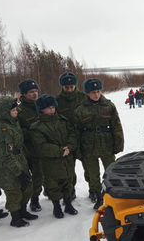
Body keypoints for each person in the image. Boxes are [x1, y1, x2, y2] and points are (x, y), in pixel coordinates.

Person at [74, 78, 124, 210]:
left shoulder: (109, 106)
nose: (96, 95)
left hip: (106, 143)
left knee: (110, 170)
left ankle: (111, 193)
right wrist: (78, 150)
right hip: (88, 145)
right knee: (92, 173)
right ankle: (97, 195)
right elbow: (76, 131)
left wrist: (118, 144)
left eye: (98, 91)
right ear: (87, 93)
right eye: (92, 92)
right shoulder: (80, 109)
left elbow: (116, 126)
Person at [0, 96, 37, 227]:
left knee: (27, 188)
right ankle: (15, 217)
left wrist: (28, 160)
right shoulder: (2, 130)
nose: (16, 111)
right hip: (8, 167)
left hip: (20, 160)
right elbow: (5, 154)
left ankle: (23, 211)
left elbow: (20, 145)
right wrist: (18, 172)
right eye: (13, 110)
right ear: (4, 113)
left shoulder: (14, 123)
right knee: (14, 192)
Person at [30, 94, 78, 219]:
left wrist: (69, 146)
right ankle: (56, 206)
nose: (51, 110)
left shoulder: (63, 121)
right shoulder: (37, 127)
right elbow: (41, 146)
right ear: (41, 109)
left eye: (53, 107)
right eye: (48, 108)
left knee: (68, 181)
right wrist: (59, 151)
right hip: (51, 162)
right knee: (53, 185)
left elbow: (72, 134)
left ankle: (68, 204)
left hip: (67, 159)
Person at [55, 72, 89, 200]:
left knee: (88, 166)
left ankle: (93, 189)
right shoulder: (57, 101)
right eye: (66, 87)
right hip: (66, 139)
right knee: (68, 168)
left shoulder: (83, 98)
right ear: (62, 87)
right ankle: (70, 190)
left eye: (71, 87)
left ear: (76, 85)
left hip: (83, 138)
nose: (69, 90)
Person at [17, 79, 43, 212]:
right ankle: (33, 199)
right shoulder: (19, 110)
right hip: (28, 149)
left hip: (42, 148)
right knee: (32, 177)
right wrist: (34, 133)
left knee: (40, 174)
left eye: (36, 91)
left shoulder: (41, 106)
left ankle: (40, 195)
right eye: (31, 92)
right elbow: (18, 131)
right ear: (24, 94)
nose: (35, 94)